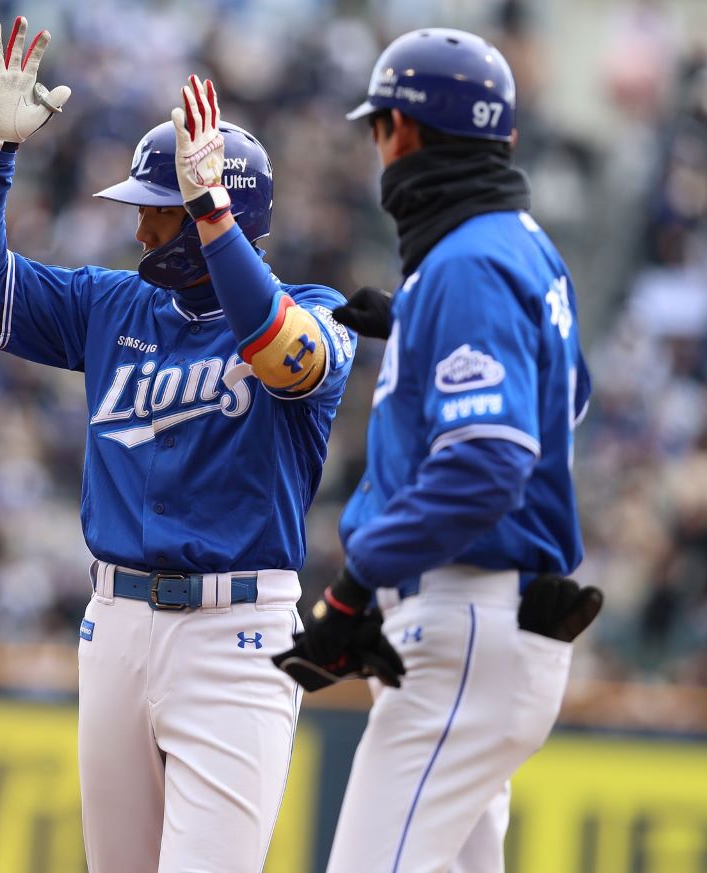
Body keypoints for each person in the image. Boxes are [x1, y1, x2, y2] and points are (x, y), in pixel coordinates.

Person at [0, 17, 372, 872]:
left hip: (236, 634)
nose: (140, 232)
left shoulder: (318, 311)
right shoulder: (112, 305)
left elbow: (283, 355)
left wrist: (210, 217)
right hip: (115, 624)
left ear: (220, 214)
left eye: (159, 214)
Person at [271, 28, 604, 873]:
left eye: (380, 126)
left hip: (465, 620)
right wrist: (419, 328)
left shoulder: (467, 263)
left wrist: (354, 586)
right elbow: (568, 397)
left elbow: (486, 464)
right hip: (493, 625)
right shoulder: (525, 247)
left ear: (405, 130)